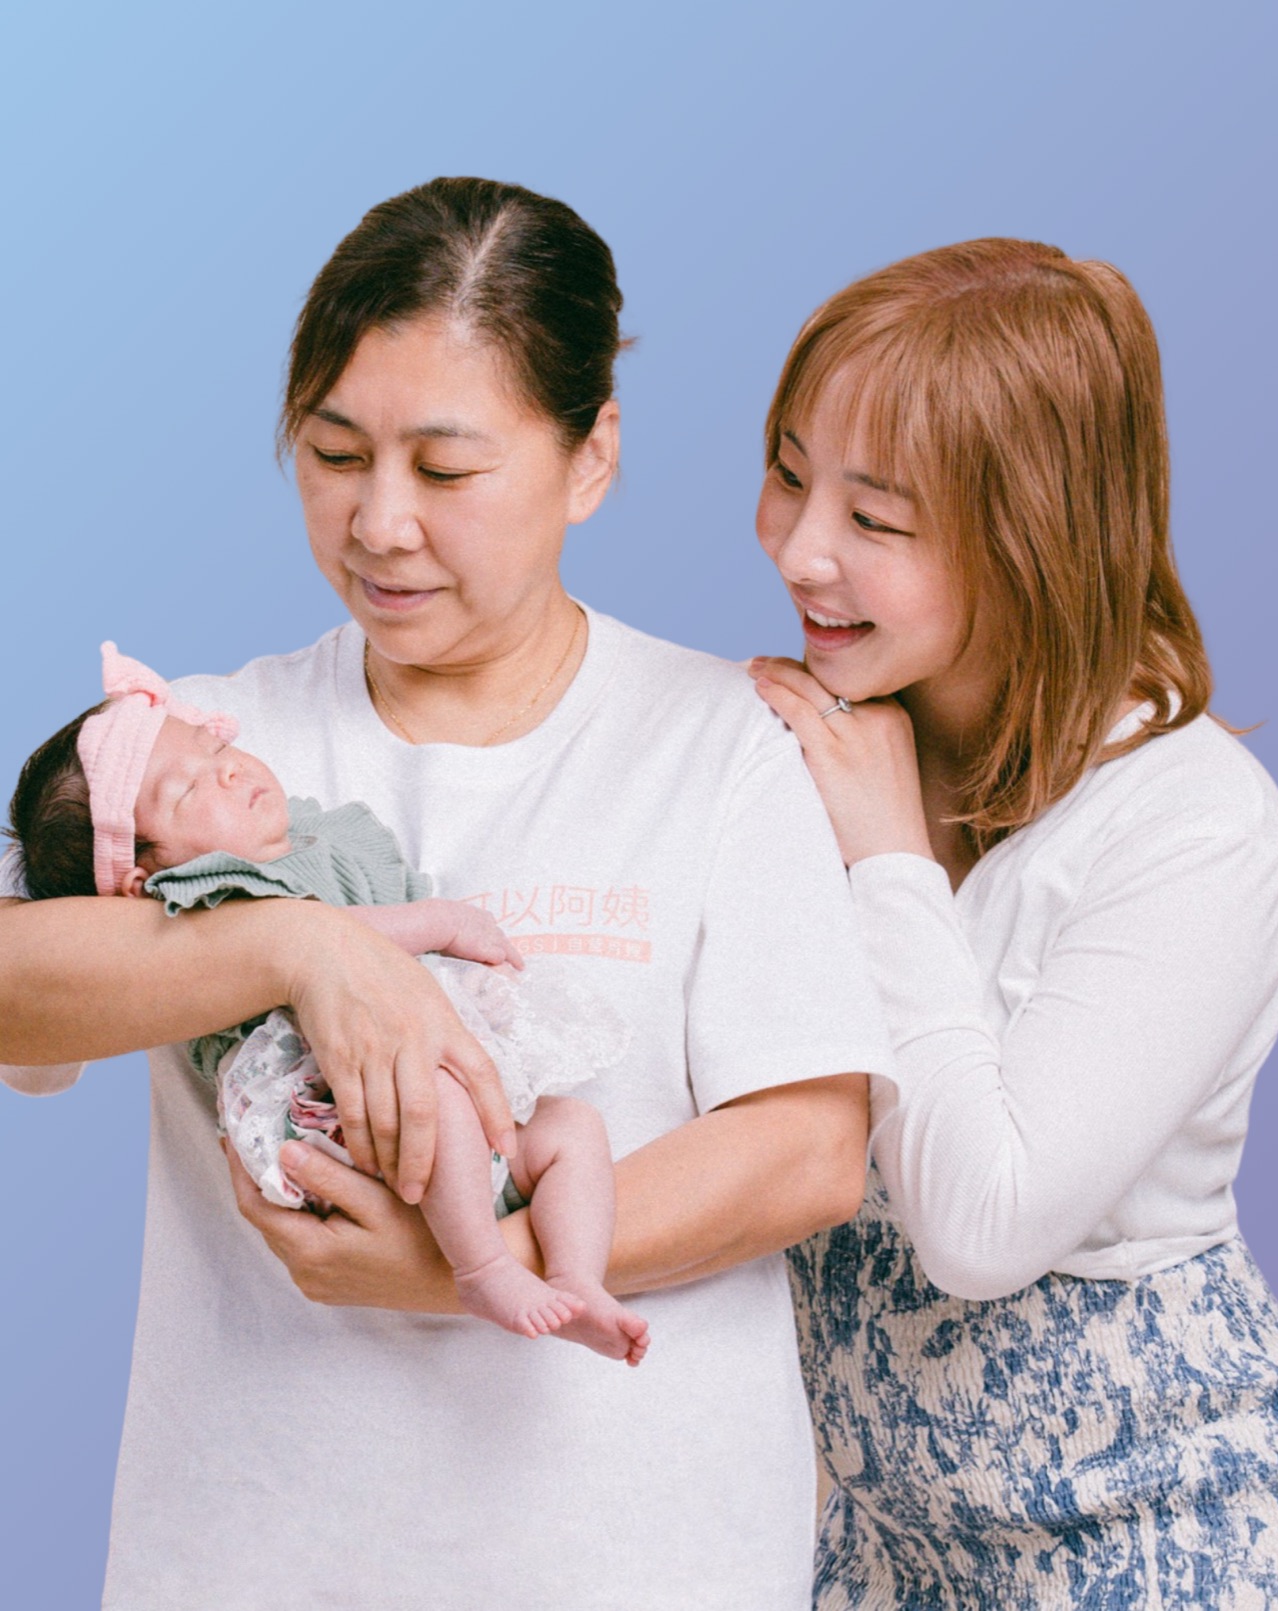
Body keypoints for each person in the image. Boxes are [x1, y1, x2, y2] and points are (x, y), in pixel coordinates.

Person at [0, 177, 891, 1611]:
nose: (381, 521)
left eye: (447, 468)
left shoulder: (719, 741)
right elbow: (12, 997)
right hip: (246, 1564)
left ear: (590, 457)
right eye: (335, 451)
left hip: (636, 1568)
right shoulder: (212, 761)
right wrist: (299, 945)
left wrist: (462, 1262)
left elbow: (807, 1150)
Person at [750, 237, 1278, 1607]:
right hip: (891, 1561)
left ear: (1030, 536)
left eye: (875, 519)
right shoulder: (825, 741)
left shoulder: (1195, 822)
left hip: (1160, 1546)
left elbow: (984, 1219)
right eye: (790, 472)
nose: (801, 547)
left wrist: (886, 858)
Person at [7, 643, 649, 1360]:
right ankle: (482, 1266)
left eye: (212, 742)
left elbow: (390, 970)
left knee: (572, 1129)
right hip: (326, 1100)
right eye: (187, 793)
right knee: (434, 1088)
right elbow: (343, 942)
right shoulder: (208, 895)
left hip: (433, 1103)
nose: (225, 766)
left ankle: (576, 1275)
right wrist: (438, 921)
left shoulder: (319, 839)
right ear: (143, 876)